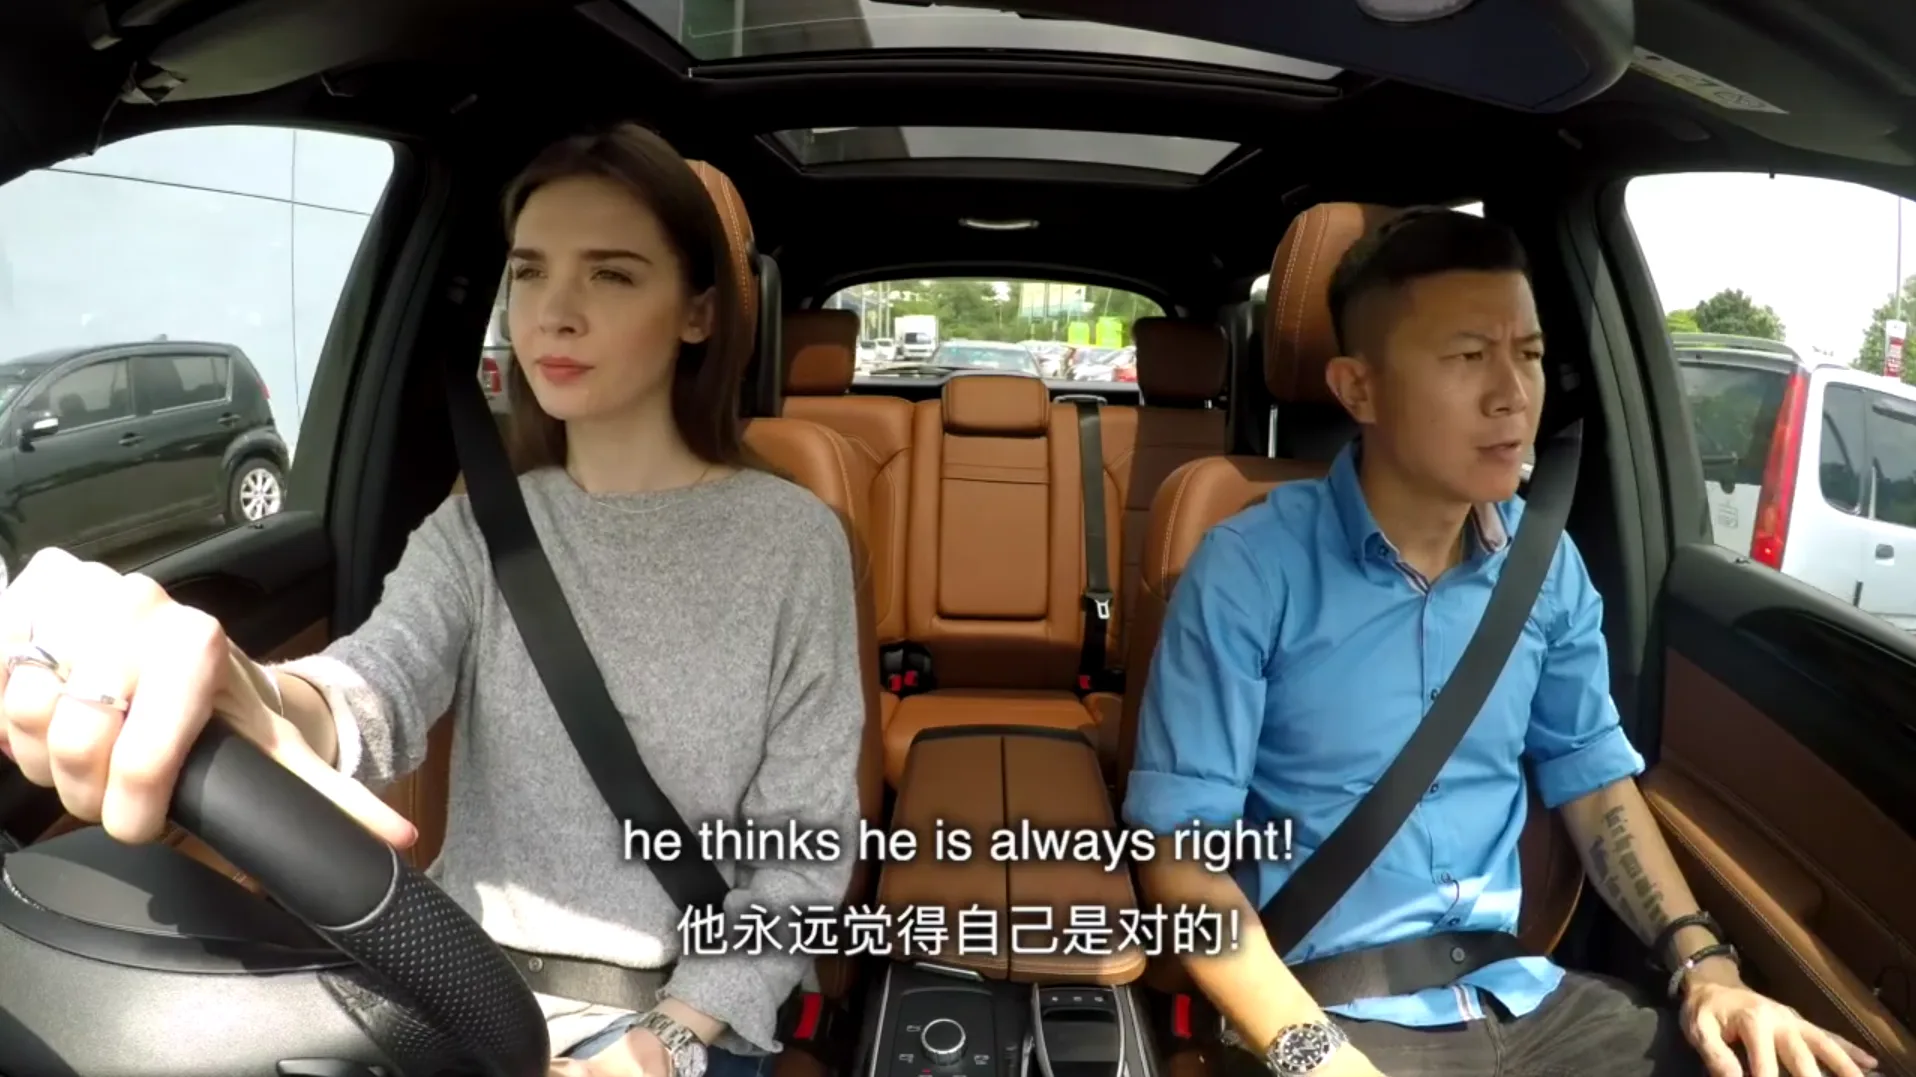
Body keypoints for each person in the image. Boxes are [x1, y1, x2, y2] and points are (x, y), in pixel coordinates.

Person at [0, 123, 866, 1077]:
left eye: (612, 275)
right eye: (529, 272)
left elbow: (805, 850)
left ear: (697, 313)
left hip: (683, 1014)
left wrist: (668, 1040)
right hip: (466, 994)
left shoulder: (792, 541)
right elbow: (371, 688)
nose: (553, 313)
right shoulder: (476, 529)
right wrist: (251, 691)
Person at [1123, 209, 1880, 1077]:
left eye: (1527, 353)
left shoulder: (1544, 566)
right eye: (1467, 356)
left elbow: (1595, 785)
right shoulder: (1251, 568)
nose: (1512, 394)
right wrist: (1312, 1053)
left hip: (1533, 1002)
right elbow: (1180, 859)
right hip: (1325, 1009)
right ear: (1358, 389)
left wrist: (1709, 970)